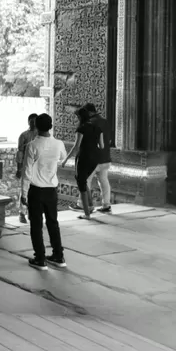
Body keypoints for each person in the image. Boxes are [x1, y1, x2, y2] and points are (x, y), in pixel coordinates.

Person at [22, 113, 69, 269]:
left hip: (36, 190)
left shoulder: (32, 146)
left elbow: (27, 172)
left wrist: (23, 194)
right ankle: (58, 255)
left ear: (36, 126)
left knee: (36, 225)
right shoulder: (58, 144)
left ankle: (40, 258)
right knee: (53, 223)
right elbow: (63, 157)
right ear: (51, 126)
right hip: (51, 190)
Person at [67, 104, 111, 218]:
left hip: (91, 158)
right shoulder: (105, 122)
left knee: (85, 182)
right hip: (105, 157)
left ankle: (84, 205)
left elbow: (78, 145)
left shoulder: (89, 124)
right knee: (104, 181)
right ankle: (106, 205)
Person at [16, 113, 38, 214]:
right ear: (28, 122)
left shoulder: (40, 135)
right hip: (26, 165)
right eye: (31, 121)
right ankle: (22, 212)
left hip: (37, 166)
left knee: (35, 189)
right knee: (24, 188)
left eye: (35, 121)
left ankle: (32, 211)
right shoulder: (24, 135)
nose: (33, 123)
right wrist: (19, 168)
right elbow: (20, 152)